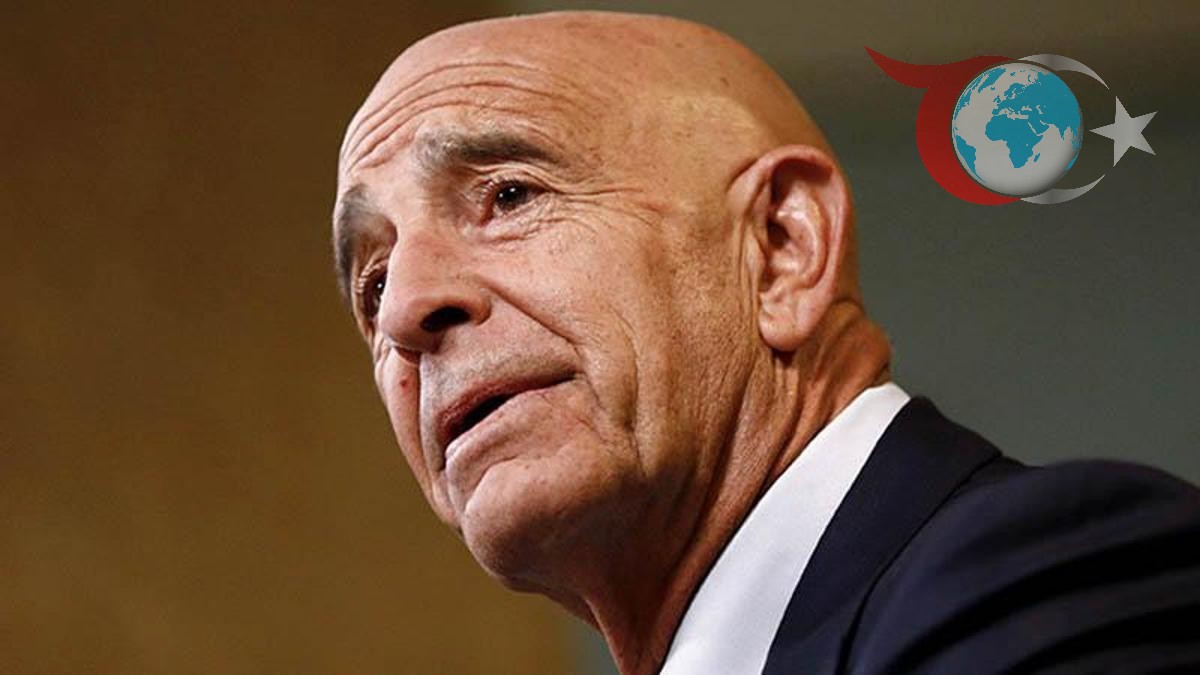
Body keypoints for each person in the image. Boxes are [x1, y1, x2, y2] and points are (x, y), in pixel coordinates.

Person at [330, 11, 1200, 674]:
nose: (404, 308)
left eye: (510, 195)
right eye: (372, 283)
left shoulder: (1045, 584)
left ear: (783, 248)